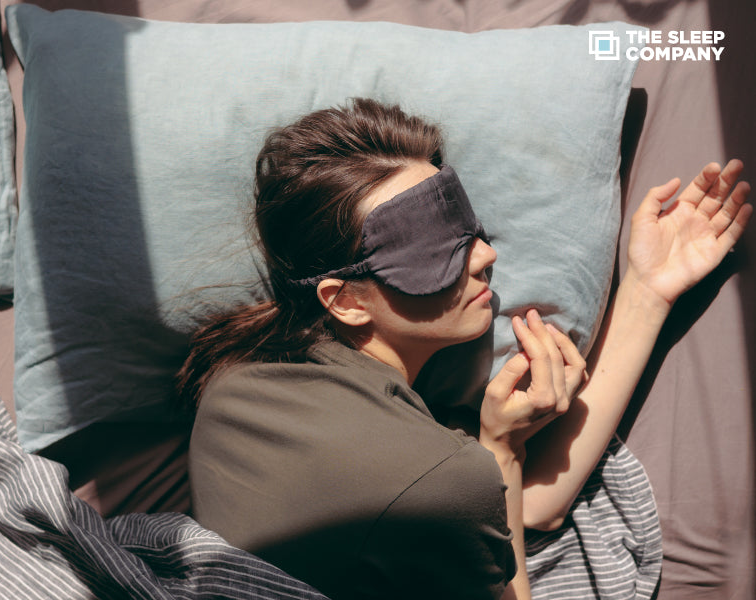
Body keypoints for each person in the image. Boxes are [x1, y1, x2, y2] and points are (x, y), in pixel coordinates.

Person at [178, 98, 751, 600]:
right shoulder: (440, 478)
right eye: (431, 247)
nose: (484, 256)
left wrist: (648, 290)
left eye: (468, 228)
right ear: (345, 299)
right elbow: (484, 509)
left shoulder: (231, 376)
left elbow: (512, 514)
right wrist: (497, 453)